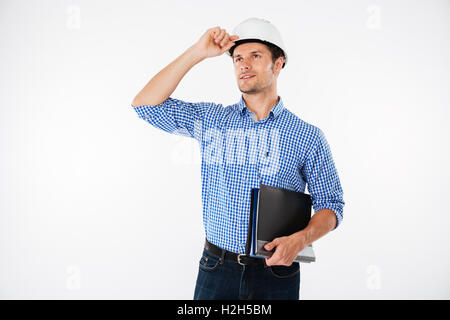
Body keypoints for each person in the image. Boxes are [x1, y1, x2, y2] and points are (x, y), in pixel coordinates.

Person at [131, 17, 345, 300]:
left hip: (277, 274)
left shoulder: (308, 137)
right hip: (217, 269)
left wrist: (301, 239)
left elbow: (332, 204)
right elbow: (145, 105)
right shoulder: (211, 120)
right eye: (238, 59)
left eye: (255, 56)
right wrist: (197, 51)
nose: (244, 64)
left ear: (278, 64)